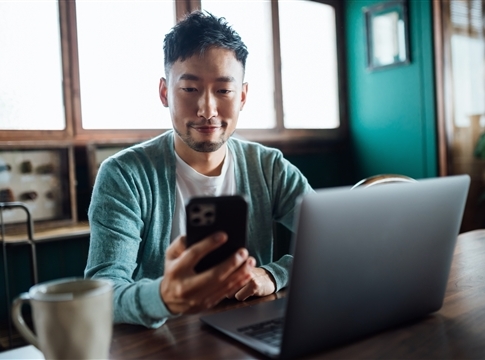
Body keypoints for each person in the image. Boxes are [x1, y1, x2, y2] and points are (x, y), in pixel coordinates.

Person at [85, 10, 314, 328]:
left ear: (243, 96)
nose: (207, 109)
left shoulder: (269, 167)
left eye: (223, 91)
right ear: (165, 92)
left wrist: (275, 274)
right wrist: (164, 297)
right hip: (160, 341)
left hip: (250, 330)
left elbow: (334, 244)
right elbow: (102, 294)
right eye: (190, 89)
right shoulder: (124, 176)